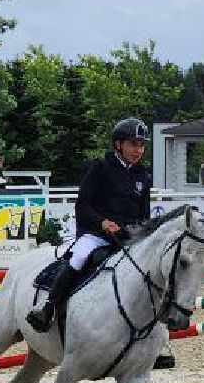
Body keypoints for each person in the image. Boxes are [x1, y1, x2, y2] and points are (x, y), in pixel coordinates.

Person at [27, 119, 153, 334]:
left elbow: (144, 213)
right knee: (79, 256)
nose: (138, 150)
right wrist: (102, 222)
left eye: (142, 145)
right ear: (118, 144)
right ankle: (48, 307)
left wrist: (143, 231)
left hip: (128, 237)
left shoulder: (143, 175)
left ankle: (153, 335)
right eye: (133, 144)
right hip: (98, 234)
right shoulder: (100, 168)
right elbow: (82, 205)